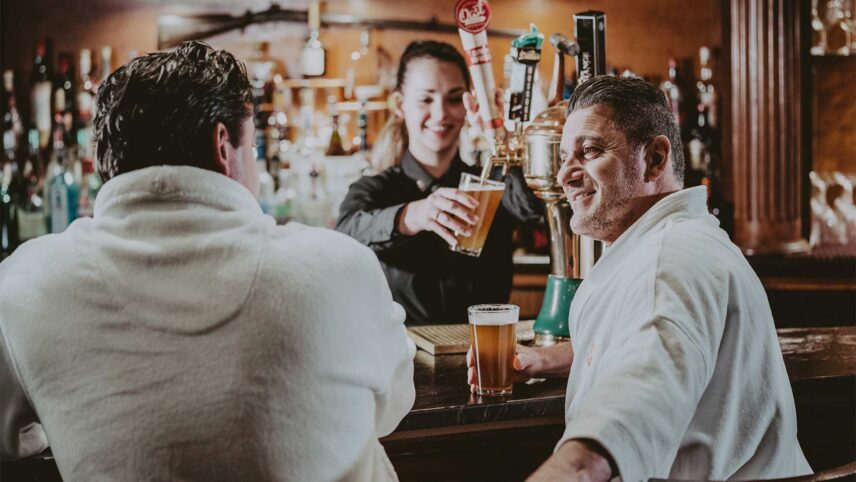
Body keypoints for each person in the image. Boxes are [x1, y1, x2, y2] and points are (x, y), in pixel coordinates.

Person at [0, 41, 415, 482]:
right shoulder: (338, 265)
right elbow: (392, 406)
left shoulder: (24, 284)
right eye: (251, 147)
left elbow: (9, 439)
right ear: (223, 145)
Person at [468, 76, 811, 480]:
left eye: (589, 151)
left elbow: (621, 422)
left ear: (654, 159)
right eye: (563, 157)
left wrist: (575, 467)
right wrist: (546, 359)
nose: (564, 176)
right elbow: (651, 339)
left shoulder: (667, 263)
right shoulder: (677, 241)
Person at [336, 40, 541, 325]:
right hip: (402, 349)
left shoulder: (490, 183)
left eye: (454, 99)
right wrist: (411, 216)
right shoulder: (376, 189)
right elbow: (345, 234)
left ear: (469, 104)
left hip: (483, 346)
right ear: (400, 104)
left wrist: (502, 140)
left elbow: (534, 210)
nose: (441, 113)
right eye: (426, 99)